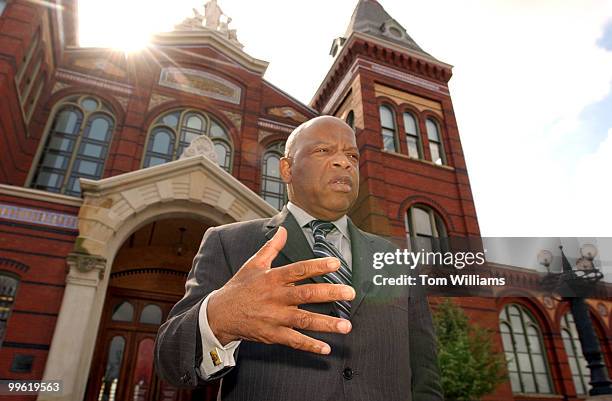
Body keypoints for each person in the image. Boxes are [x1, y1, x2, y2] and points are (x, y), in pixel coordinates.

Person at [154, 116, 442, 401]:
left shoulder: (396, 259)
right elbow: (169, 361)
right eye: (323, 150)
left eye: (352, 155)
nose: (344, 162)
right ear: (287, 168)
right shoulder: (229, 243)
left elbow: (425, 374)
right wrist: (218, 320)